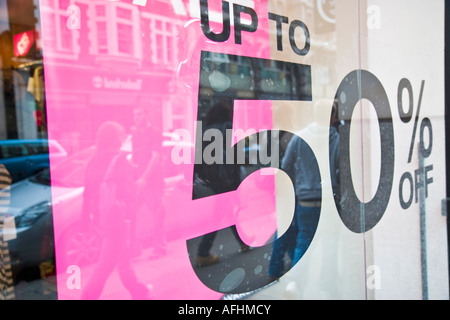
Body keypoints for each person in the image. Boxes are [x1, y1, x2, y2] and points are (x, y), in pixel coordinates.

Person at [267, 99, 340, 279]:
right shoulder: (337, 138)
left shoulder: (296, 136)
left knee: (303, 241)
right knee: (329, 245)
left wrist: (298, 184)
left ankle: (295, 283)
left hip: (303, 199)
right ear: (332, 116)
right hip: (328, 200)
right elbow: (342, 169)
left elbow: (286, 166)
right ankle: (327, 283)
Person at [81, 121, 151, 299]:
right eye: (121, 135)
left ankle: (140, 292)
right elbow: (127, 194)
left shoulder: (92, 161)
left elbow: (87, 194)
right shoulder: (120, 161)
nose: (123, 138)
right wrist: (137, 189)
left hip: (100, 219)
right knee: (104, 267)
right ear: (115, 139)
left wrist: (86, 223)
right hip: (117, 221)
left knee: (123, 262)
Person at [131, 105, 166, 257]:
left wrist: (144, 178)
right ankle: (135, 249)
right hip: (138, 182)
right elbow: (134, 158)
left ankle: (160, 249)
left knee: (157, 216)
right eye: (135, 115)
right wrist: (133, 177)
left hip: (153, 183)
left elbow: (156, 157)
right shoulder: (135, 134)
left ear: (146, 115)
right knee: (130, 213)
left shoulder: (155, 132)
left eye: (139, 114)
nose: (137, 117)